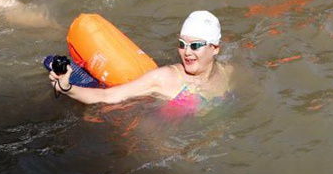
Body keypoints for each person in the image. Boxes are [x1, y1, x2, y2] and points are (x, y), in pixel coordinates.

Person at [49, 11, 230, 105]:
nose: (187, 52)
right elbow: (106, 96)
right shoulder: (165, 78)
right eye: (182, 44)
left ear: (215, 48)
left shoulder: (226, 72)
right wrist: (67, 89)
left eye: (195, 45)